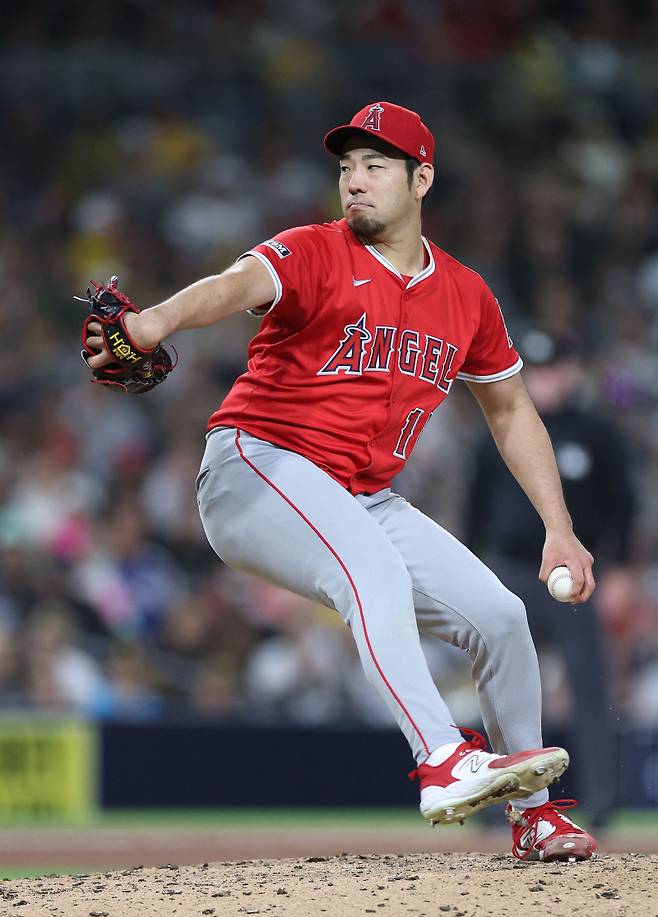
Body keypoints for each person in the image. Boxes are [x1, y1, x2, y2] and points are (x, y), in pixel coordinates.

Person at [85, 101, 598, 862]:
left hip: (359, 494)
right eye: (346, 167)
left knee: (499, 615)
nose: (354, 181)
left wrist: (560, 525)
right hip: (256, 464)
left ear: (422, 178)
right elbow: (234, 284)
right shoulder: (315, 250)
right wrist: (155, 321)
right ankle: (440, 757)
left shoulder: (466, 294)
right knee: (371, 568)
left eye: (375, 165)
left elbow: (512, 407)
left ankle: (532, 816)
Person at [464, 329, 636, 827]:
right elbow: (476, 509)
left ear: (571, 370)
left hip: (575, 576)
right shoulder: (495, 431)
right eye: (533, 370)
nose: (543, 380)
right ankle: (493, 801)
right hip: (509, 572)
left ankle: (601, 800)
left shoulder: (595, 434)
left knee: (589, 687)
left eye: (551, 368)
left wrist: (621, 570)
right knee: (499, 686)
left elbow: (624, 507)